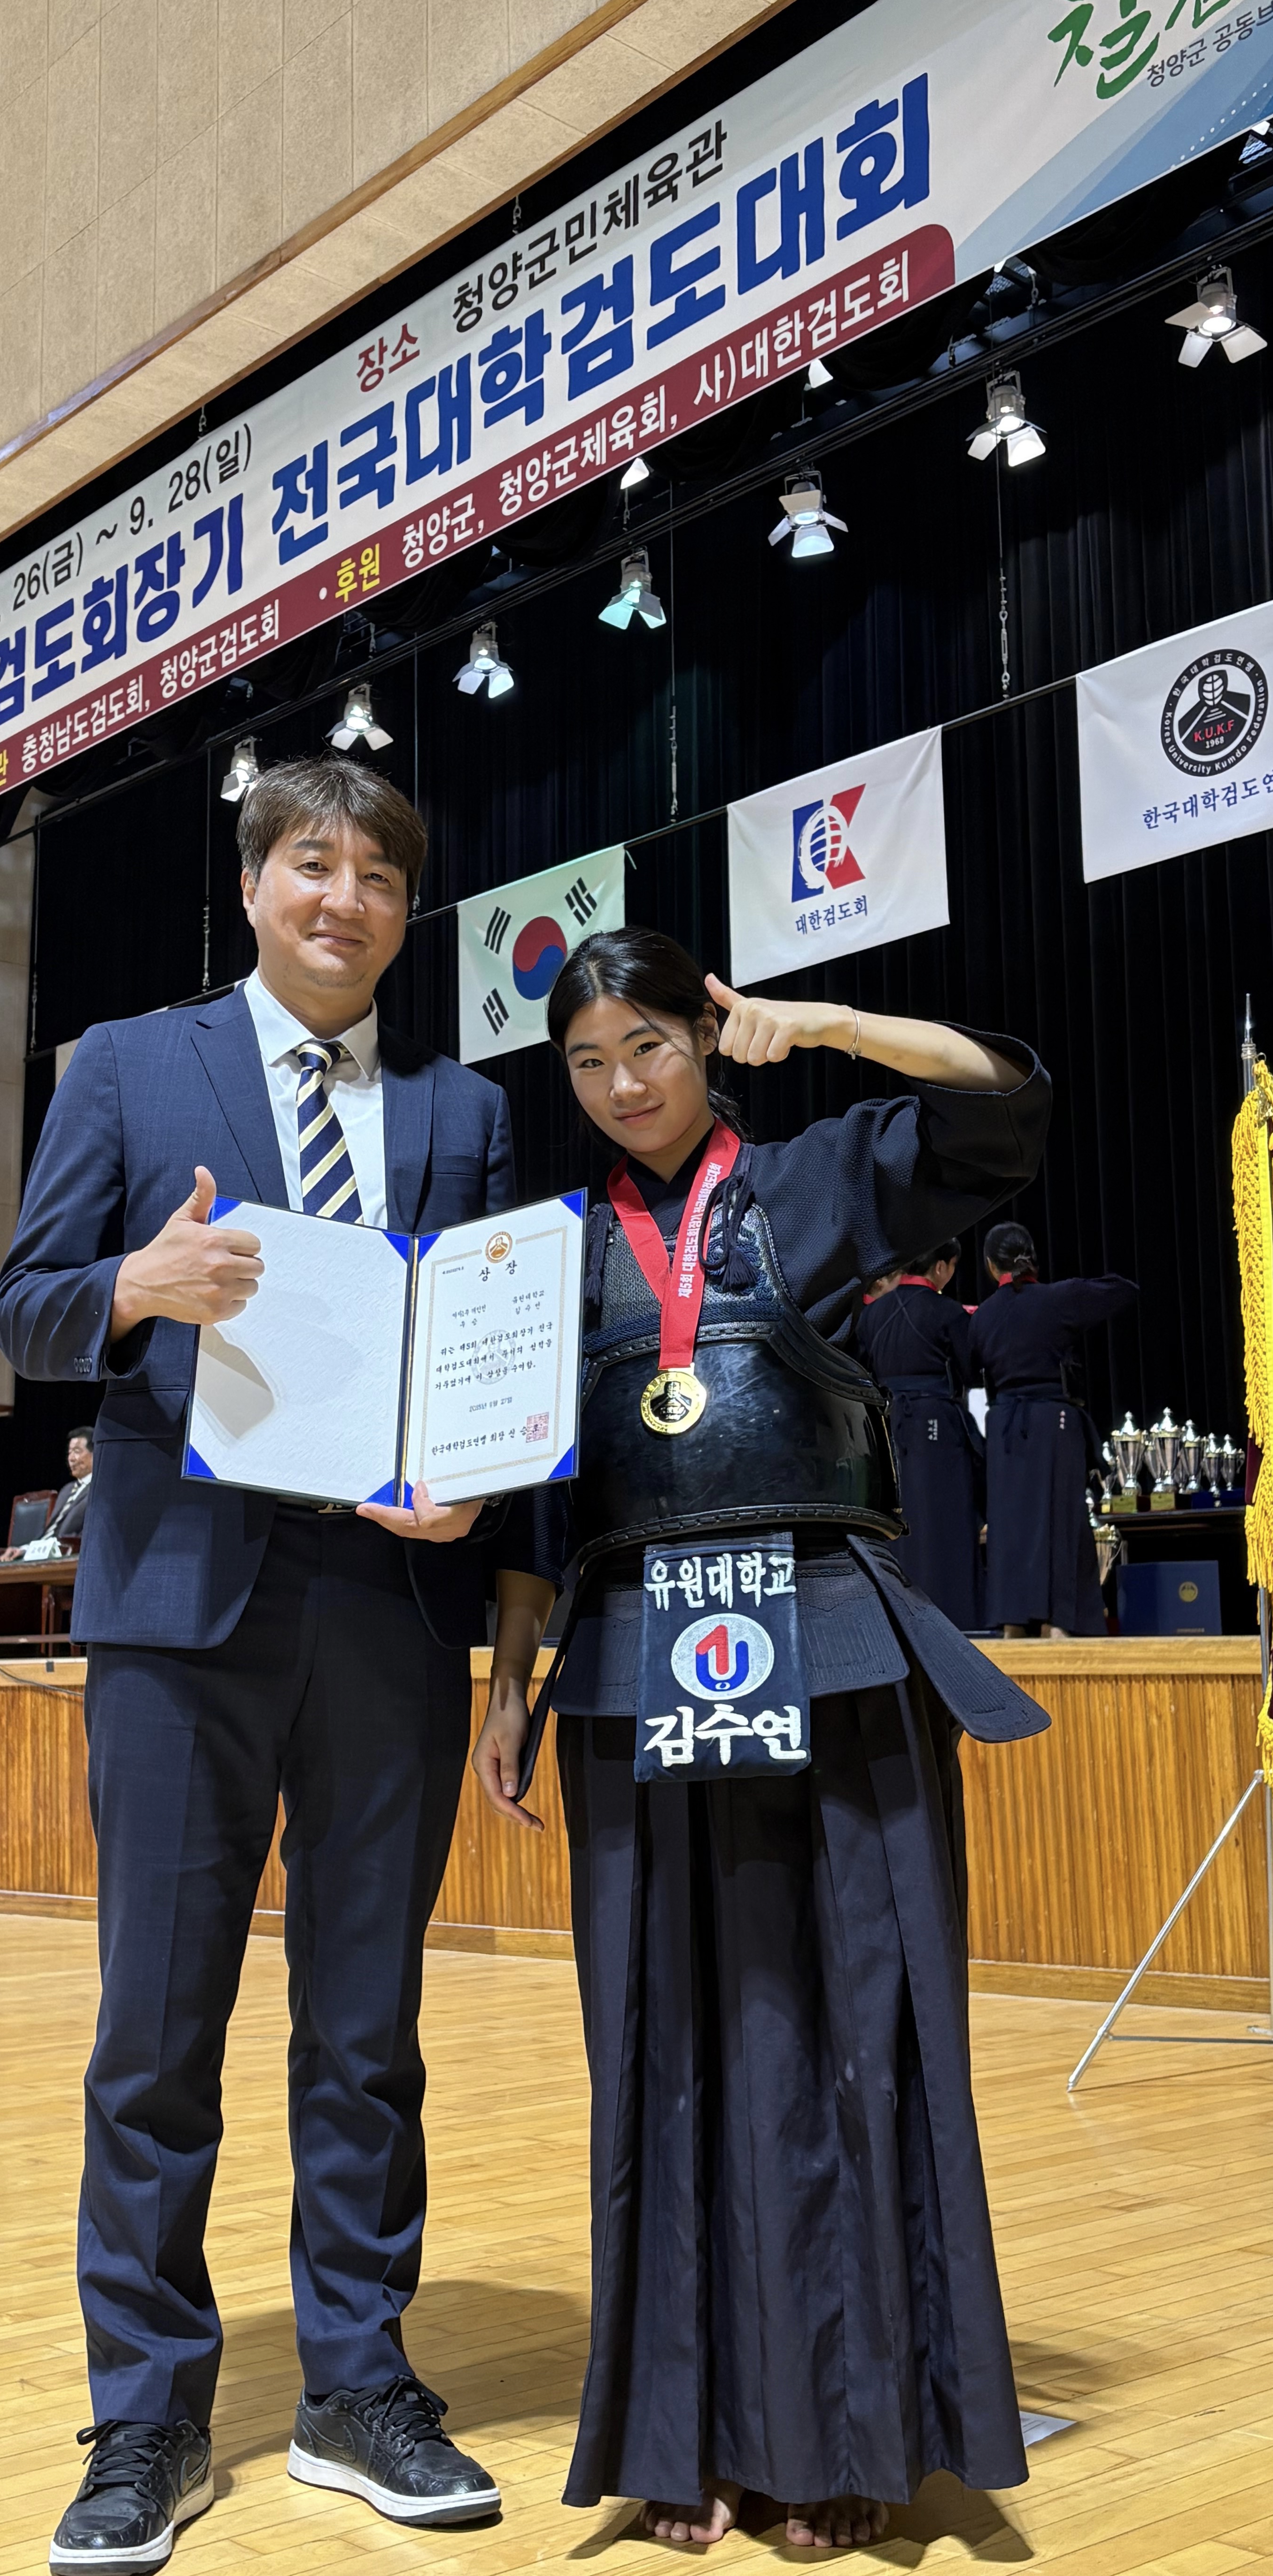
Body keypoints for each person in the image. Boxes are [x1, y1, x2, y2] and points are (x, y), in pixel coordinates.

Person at [0, 759, 531, 2573]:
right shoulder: (133, 1065)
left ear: (404, 909)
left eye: (382, 872)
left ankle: (355, 2381)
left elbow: (491, 1356)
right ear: (253, 883)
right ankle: (143, 2412)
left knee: (366, 2029)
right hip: (176, 1606)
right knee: (155, 2029)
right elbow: (24, 1303)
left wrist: (472, 1495)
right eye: (315, 863)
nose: (347, 898)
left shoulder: (461, 1110)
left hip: (387, 1614)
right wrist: (136, 1282)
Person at [473, 929, 1054, 2554]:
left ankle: (852, 2429)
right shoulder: (555, 1252)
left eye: (649, 1045)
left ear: (704, 1038)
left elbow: (1002, 1107)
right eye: (589, 1063)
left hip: (829, 1643)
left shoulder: (816, 1179)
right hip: (629, 1659)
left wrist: (840, 1023)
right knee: (661, 2041)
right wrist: (509, 1680)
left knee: (846, 2024)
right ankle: (683, 2430)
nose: (624, 1086)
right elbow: (534, 1497)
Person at [969, 1220, 1137, 1639]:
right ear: (1031, 1259)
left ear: (991, 1267)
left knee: (1008, 1526)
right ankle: (1058, 1624)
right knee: (1058, 1519)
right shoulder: (1058, 1299)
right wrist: (1071, 1289)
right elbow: (1123, 1289)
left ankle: (1012, 1623)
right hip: (1050, 1421)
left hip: (1003, 1425)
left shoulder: (982, 1317)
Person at [856, 1241, 983, 1629]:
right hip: (936, 1422)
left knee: (896, 1517)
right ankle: (953, 1614)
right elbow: (970, 1373)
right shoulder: (949, 1313)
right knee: (944, 1515)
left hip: (884, 1426)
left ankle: (895, 1614)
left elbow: (862, 1373)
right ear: (942, 1267)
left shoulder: (870, 1316)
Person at [0, 1425, 94, 1559]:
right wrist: (23, 1550)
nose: (71, 1458)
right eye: (69, 1452)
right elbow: (49, 1535)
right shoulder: (67, 1490)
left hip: (67, 1557)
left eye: (77, 1451)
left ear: (95, 1453)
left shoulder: (99, 1490)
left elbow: (85, 1538)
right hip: (44, 1554)